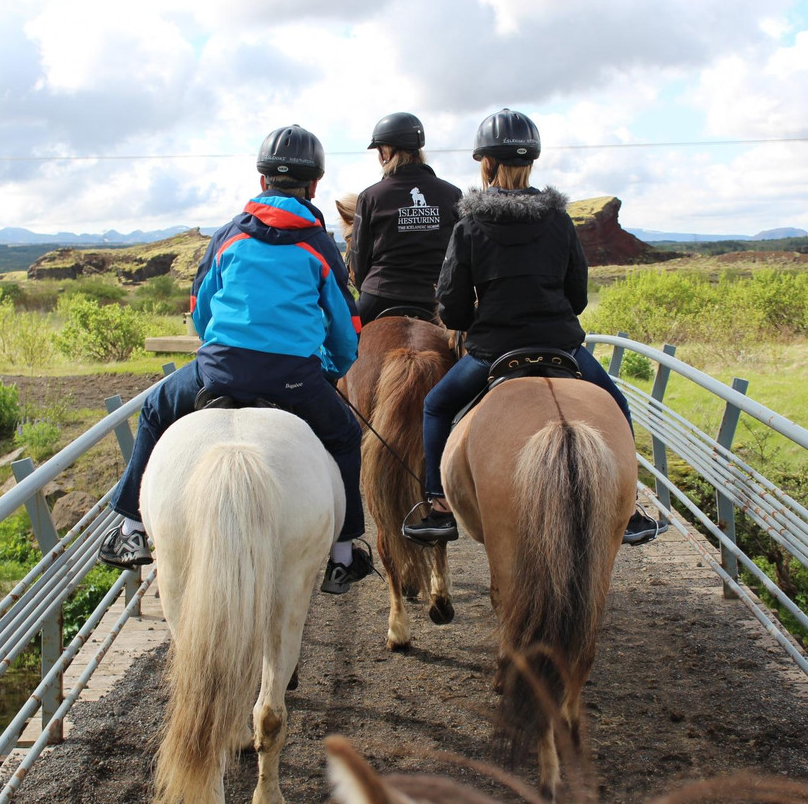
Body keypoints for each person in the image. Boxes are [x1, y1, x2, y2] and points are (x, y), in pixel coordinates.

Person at [98, 124, 375, 594]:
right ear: (314, 185)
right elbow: (345, 327)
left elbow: (200, 307)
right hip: (294, 378)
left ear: (262, 179)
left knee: (154, 409)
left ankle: (131, 531)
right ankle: (343, 554)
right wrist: (332, 368)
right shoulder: (319, 242)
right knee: (347, 436)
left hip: (219, 369)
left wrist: (217, 349)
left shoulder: (229, 234)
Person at [401, 108, 665, 547]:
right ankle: (632, 508)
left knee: (436, 407)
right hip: (562, 346)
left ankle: (437, 505)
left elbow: (451, 304)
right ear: (530, 163)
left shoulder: (469, 224)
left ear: (486, 163)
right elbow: (577, 296)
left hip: (493, 352)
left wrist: (473, 323)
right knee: (616, 402)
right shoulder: (559, 220)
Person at [349, 112, 463, 324]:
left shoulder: (370, 196)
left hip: (380, 295)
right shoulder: (452, 194)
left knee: (345, 343)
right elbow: (459, 255)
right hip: (435, 299)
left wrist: (369, 287)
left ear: (386, 151)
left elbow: (359, 257)